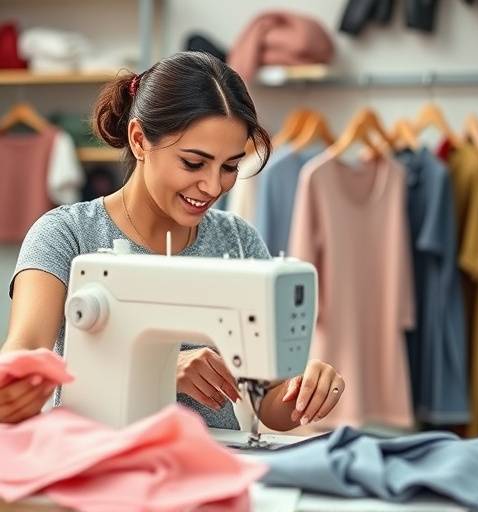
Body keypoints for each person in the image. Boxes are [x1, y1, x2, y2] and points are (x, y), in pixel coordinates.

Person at [1, 52, 344, 430]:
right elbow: (24, 360)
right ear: (139, 140)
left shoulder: (239, 240)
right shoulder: (65, 235)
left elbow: (271, 404)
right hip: (99, 464)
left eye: (230, 166)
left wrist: (305, 388)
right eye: (194, 163)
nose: (214, 186)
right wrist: (161, 370)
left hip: (211, 466)